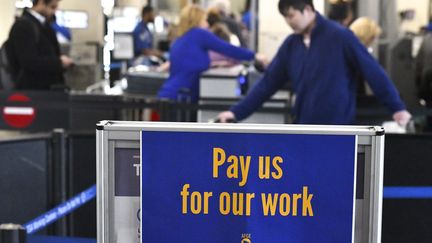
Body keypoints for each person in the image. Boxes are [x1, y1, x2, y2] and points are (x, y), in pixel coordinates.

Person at [217, 0, 411, 126]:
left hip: (338, 130)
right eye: (285, 17)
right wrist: (236, 113)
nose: (288, 22)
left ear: (308, 10)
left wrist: (397, 107)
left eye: (291, 15)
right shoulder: (291, 45)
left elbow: (373, 72)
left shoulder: (341, 37)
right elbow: (268, 84)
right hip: (304, 128)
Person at [157, 5, 266, 106]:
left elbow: (187, 66)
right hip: (182, 99)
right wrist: (254, 55)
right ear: (197, 20)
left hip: (170, 95)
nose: (208, 24)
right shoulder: (199, 34)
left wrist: (214, 64)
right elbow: (227, 49)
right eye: (205, 20)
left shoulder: (179, 40)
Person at [6, 0, 74, 90]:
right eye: (52, 7)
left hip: (48, 91)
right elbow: (29, 61)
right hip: (32, 92)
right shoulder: (23, 26)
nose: (55, 11)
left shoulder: (44, 25)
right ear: (41, 3)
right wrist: (59, 62)